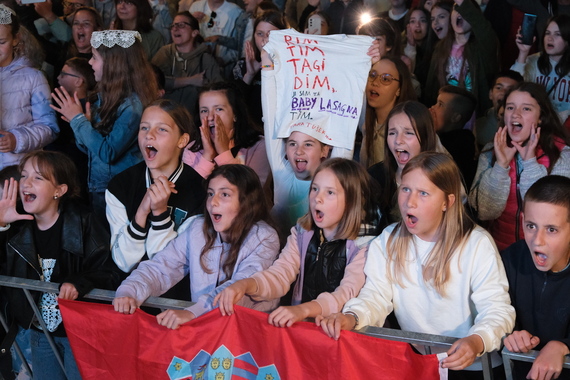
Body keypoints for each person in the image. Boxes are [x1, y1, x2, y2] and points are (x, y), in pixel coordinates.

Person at [318, 152, 515, 379]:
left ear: (447, 202)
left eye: (423, 193)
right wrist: (351, 316)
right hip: (421, 362)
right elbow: (375, 296)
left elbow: (497, 310)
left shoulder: (476, 244)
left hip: (473, 367)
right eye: (405, 189)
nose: (409, 201)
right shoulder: (388, 240)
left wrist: (476, 340)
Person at [214, 158, 381, 327]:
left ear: (351, 201)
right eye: (315, 189)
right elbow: (280, 274)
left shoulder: (364, 245)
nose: (318, 198)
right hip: (302, 329)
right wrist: (244, 284)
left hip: (340, 334)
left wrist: (303, 310)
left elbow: (346, 295)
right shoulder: (302, 232)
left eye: (330, 192)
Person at [0, 151, 121, 380]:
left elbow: (110, 271)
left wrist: (79, 282)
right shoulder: (15, 226)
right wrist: (1, 226)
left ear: (59, 190)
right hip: (40, 332)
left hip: (82, 334)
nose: (26, 183)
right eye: (24, 176)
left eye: (38, 178)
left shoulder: (84, 221)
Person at [112, 164, 280, 327]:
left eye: (225, 195)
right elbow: (161, 267)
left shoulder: (265, 237)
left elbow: (239, 287)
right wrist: (129, 292)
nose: (213, 202)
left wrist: (192, 313)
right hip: (205, 332)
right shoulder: (198, 229)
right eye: (210, 193)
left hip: (248, 337)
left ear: (247, 202)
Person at [51, 29, 158, 220]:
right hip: (99, 186)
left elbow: (107, 153)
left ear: (113, 64)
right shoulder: (103, 98)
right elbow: (89, 149)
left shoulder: (133, 107)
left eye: (94, 57)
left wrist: (78, 121)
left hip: (119, 189)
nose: (90, 63)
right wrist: (80, 126)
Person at [106, 100, 206, 292]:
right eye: (144, 128)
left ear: (182, 140)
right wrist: (141, 214)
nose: (149, 135)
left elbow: (167, 265)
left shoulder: (200, 191)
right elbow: (123, 262)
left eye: (161, 129)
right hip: (126, 298)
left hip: (174, 303)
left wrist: (159, 214)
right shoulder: (119, 186)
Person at [469, 82, 570, 251]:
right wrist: (501, 166)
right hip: (500, 253)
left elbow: (545, 216)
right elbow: (486, 212)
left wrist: (530, 162)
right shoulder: (490, 153)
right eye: (510, 108)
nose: (515, 114)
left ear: (540, 117)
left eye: (526, 109)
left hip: (545, 252)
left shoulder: (562, 156)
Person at [502, 175, 570, 380]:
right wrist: (511, 334)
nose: (537, 241)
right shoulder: (510, 259)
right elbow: (497, 308)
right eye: (531, 226)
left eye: (551, 229)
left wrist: (562, 346)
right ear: (522, 220)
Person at [0, 5, 59, 171]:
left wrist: (17, 140)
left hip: (18, 169)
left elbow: (50, 128)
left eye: (1, 42)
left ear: (15, 38)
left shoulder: (33, 77)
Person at [183, 82, 270, 186]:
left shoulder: (259, 146)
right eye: (204, 110)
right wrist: (207, 155)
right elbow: (190, 194)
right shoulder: (192, 148)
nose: (210, 117)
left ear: (235, 114)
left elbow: (251, 192)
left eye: (219, 109)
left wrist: (223, 152)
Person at [424, 0, 499, 116]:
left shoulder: (482, 47)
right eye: (456, 10)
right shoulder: (440, 49)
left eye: (463, 10)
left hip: (474, 116)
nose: (460, 13)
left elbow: (484, 29)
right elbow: (431, 87)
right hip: (445, 115)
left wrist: (462, 3)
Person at [368, 101, 439, 224]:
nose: (398, 140)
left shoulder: (442, 177)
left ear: (426, 136)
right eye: (392, 133)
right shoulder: (374, 177)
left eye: (408, 133)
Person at [151, 11, 223, 114]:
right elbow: (151, 81)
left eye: (181, 25)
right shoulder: (165, 53)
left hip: (194, 120)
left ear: (194, 33)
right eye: (173, 25)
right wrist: (190, 80)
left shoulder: (205, 58)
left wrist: (205, 86)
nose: (175, 29)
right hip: (165, 116)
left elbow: (220, 90)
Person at [233, 11, 288, 127]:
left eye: (270, 34)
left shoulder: (291, 66)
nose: (264, 40)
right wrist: (249, 75)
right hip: (252, 135)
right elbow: (235, 106)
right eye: (260, 34)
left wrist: (268, 64)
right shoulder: (243, 65)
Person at [360, 56, 417, 168]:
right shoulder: (367, 123)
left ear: (399, 89)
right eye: (372, 75)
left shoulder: (412, 125)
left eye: (385, 79)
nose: (375, 83)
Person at [511, 14, 570, 123]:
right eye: (547, 33)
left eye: (557, 34)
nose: (550, 38)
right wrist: (523, 53)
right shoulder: (533, 60)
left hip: (564, 129)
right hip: (535, 123)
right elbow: (513, 87)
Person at [429, 85, 477, 187]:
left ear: (455, 117)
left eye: (440, 105)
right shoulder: (437, 137)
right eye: (436, 103)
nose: (433, 107)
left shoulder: (460, 148)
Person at [474, 70, 523, 150]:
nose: (504, 92)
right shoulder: (477, 126)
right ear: (490, 94)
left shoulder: (525, 127)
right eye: (499, 88)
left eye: (510, 89)